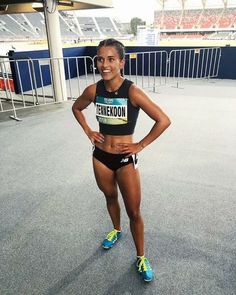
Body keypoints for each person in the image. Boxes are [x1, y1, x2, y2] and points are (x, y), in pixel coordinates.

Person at [72, 38, 171, 282]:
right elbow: (76, 108)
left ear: (121, 62)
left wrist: (140, 145)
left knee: (134, 212)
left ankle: (141, 256)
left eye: (110, 59)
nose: (104, 64)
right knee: (109, 197)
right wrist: (88, 131)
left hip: (126, 159)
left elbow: (163, 120)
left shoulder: (133, 91)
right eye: (100, 59)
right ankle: (116, 230)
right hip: (101, 157)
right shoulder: (94, 90)